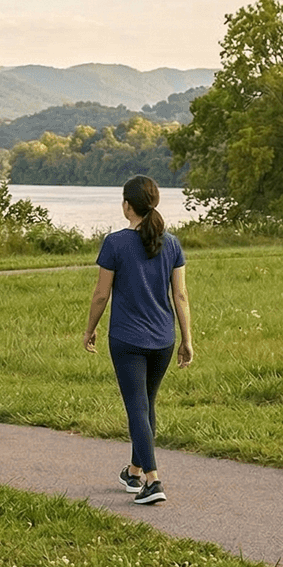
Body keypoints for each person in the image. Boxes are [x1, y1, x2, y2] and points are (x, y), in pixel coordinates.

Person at [82, 175, 192, 505]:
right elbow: (181, 295)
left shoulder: (114, 243)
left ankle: (153, 481)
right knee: (146, 405)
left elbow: (101, 295)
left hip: (128, 339)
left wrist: (89, 329)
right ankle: (133, 471)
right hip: (163, 339)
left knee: (137, 408)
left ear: (127, 205)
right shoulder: (171, 243)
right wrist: (187, 339)